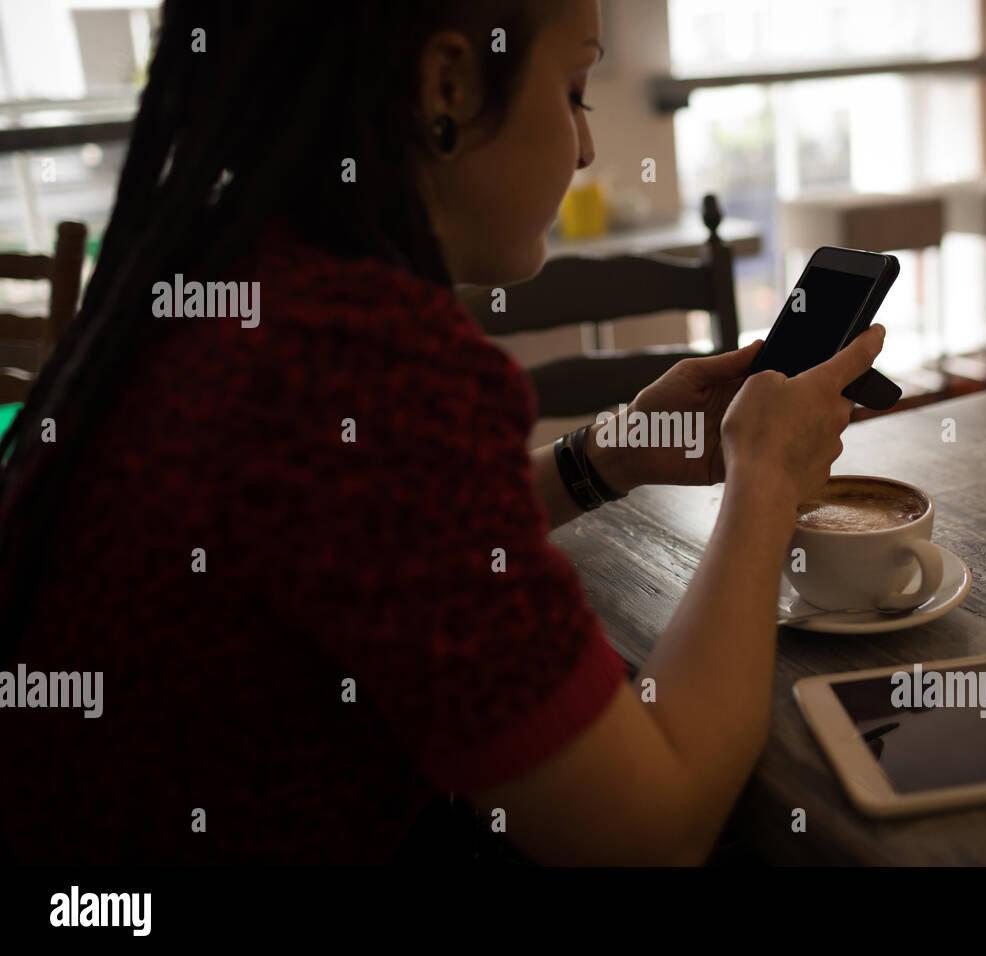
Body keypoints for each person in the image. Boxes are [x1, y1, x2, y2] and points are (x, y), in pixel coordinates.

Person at [0, 0, 886, 865]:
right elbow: (652, 829)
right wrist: (766, 478)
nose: (586, 146)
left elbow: (372, 540)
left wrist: (607, 454)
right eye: (575, 87)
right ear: (449, 84)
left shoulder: (226, 272)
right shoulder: (355, 355)